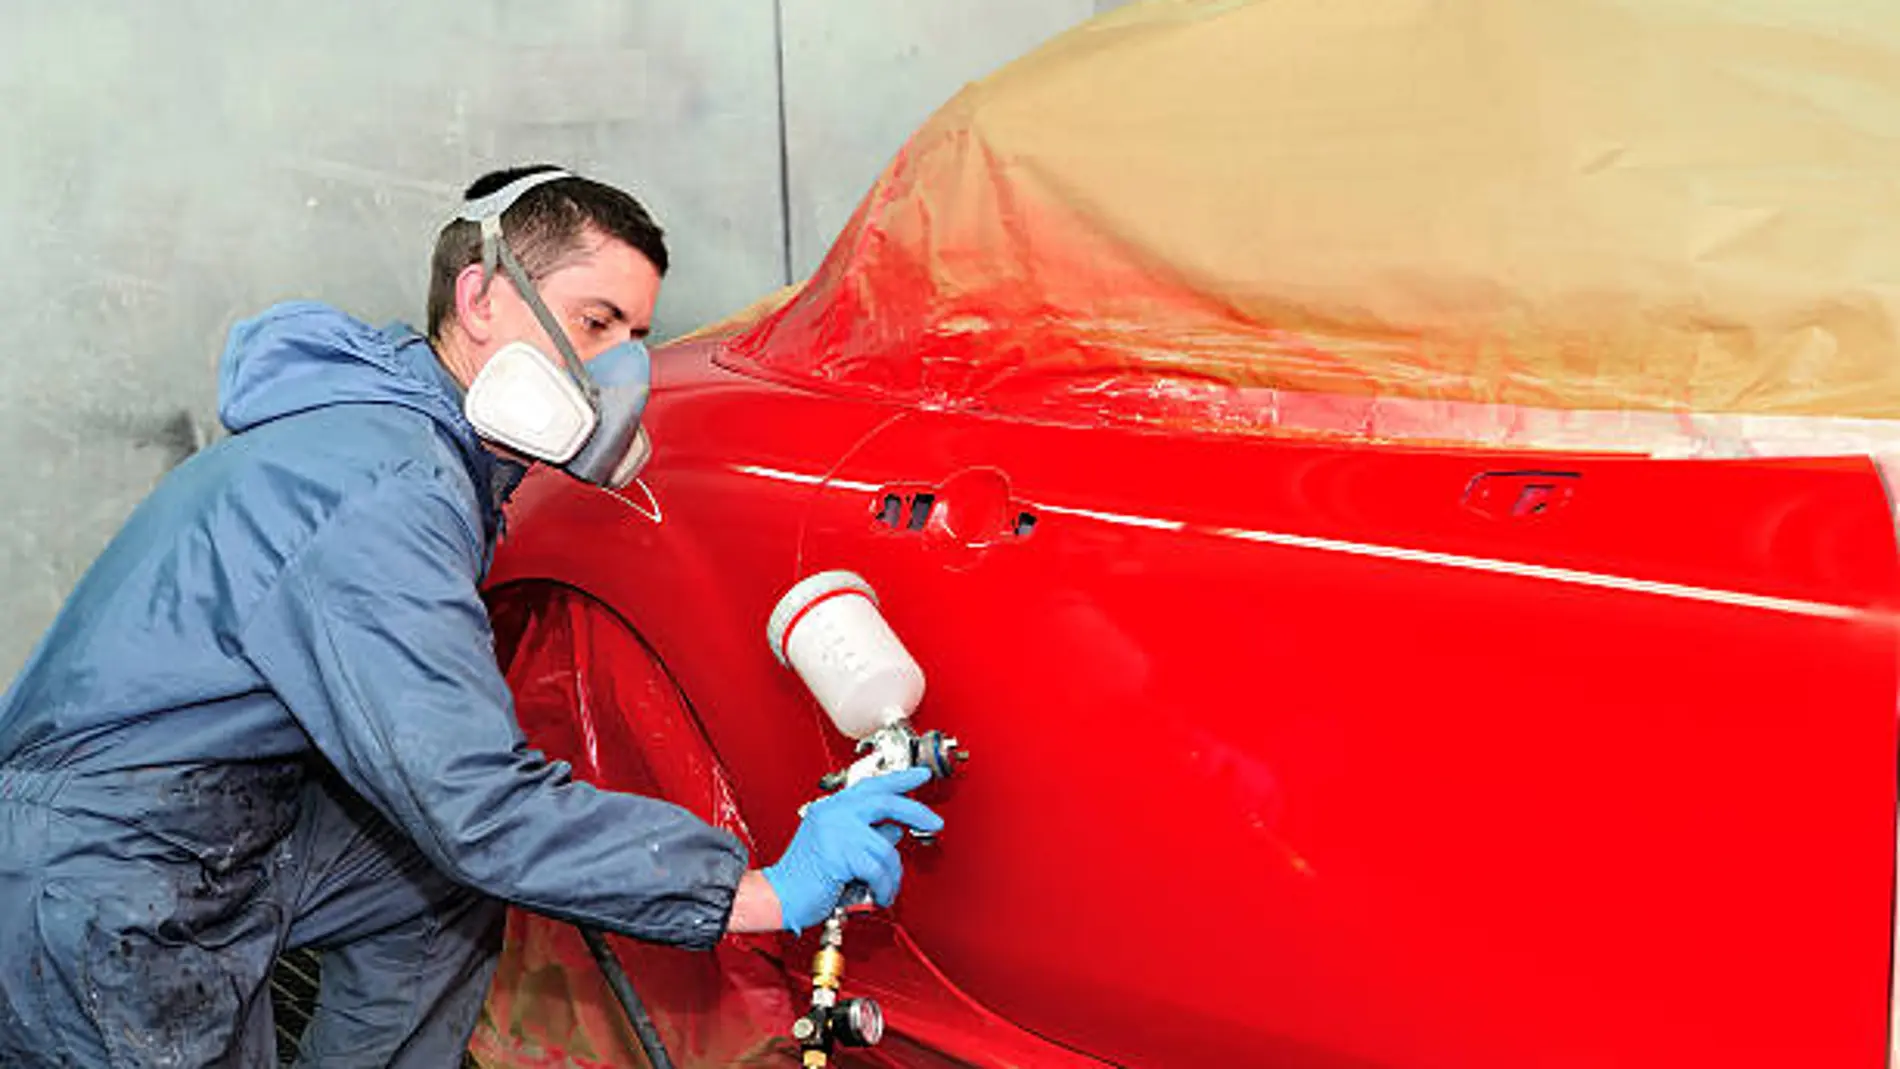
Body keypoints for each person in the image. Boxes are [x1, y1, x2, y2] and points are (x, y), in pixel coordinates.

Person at [0, 164, 942, 1068]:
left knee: (437, 882)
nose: (617, 373)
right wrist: (762, 890)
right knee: (471, 843)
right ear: (482, 297)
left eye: (634, 338)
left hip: (220, 815)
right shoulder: (389, 488)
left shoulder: (410, 444)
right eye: (593, 320)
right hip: (107, 871)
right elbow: (478, 805)